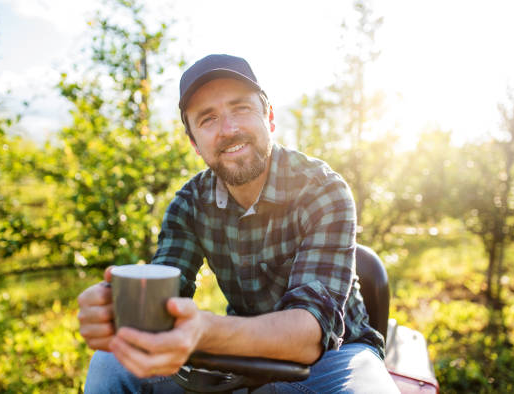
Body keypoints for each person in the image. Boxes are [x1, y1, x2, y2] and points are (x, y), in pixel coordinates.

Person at [78, 54, 399, 393]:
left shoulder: (322, 190)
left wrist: (205, 330)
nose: (229, 129)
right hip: (239, 351)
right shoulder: (188, 205)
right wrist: (121, 310)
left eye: (241, 109)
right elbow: (165, 296)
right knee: (109, 363)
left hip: (336, 355)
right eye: (207, 119)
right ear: (194, 143)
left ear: (269, 117)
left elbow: (309, 337)